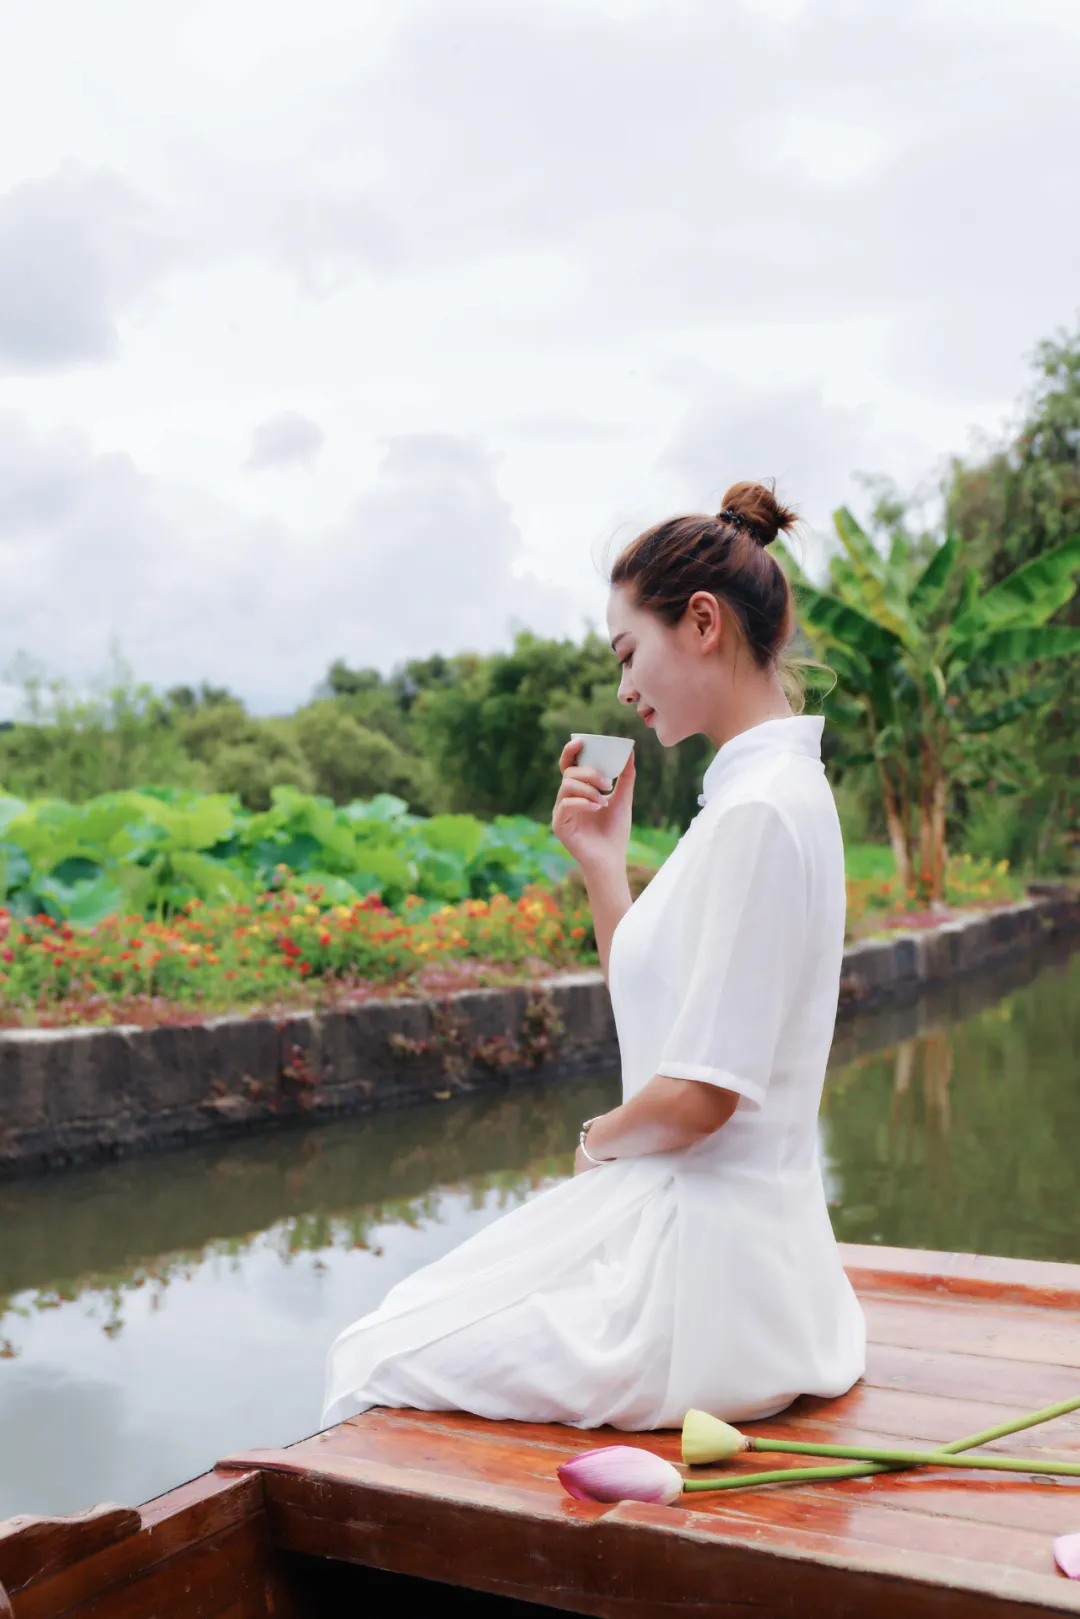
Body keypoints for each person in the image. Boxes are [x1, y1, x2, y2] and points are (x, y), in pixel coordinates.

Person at [322, 479, 866, 1431]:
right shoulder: (765, 793)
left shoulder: (757, 812)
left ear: (702, 622)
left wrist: (593, 1143)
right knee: (404, 1327)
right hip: (732, 1263)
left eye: (629, 653)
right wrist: (602, 867)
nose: (623, 688)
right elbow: (665, 1013)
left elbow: (700, 1096)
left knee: (376, 1349)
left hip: (703, 1293)